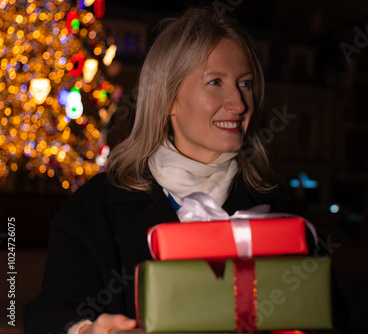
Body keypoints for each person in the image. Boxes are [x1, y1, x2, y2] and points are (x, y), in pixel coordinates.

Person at [23, 7, 350, 334]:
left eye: (245, 83)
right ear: (167, 99)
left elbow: (332, 319)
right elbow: (48, 313)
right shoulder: (96, 208)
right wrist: (86, 330)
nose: (238, 103)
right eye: (216, 82)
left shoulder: (281, 210)